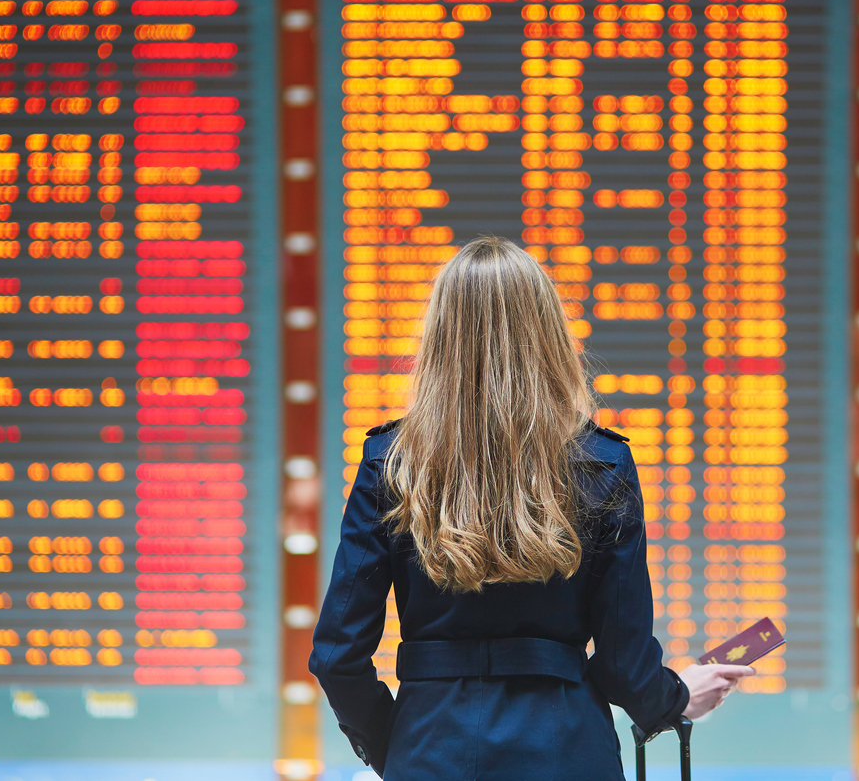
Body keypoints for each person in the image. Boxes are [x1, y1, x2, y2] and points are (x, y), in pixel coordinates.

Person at [309, 236, 754, 780]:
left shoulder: (391, 461)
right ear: (547, 331)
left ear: (439, 335)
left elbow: (337, 658)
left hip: (429, 746)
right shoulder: (604, 461)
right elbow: (622, 663)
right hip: (567, 751)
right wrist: (677, 696)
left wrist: (396, 746)